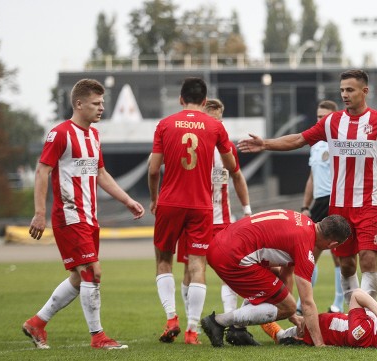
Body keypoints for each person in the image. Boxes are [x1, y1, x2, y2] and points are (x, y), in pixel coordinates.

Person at [238, 69, 377, 304]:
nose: (345, 95)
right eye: (342, 90)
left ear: (365, 91)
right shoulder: (331, 122)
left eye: (350, 90)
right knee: (347, 264)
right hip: (339, 205)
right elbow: (298, 139)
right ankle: (354, 312)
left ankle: (367, 313)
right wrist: (265, 143)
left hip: (370, 202)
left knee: (368, 259)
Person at [23, 78, 145, 350]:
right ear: (79, 104)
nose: (102, 108)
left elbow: (101, 174)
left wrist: (127, 200)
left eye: (102, 103)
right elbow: (43, 170)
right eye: (96, 103)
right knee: (92, 271)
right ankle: (98, 337)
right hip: (69, 216)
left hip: (90, 217)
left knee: (79, 278)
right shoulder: (60, 134)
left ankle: (37, 323)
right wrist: (39, 213)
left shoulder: (93, 135)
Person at [149, 77, 237, 345]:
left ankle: (171, 317)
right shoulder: (214, 126)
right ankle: (192, 331)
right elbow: (231, 165)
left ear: (180, 98)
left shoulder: (165, 124)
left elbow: (153, 170)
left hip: (170, 201)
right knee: (198, 265)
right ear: (204, 99)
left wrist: (154, 199)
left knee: (163, 260)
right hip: (201, 205)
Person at [173, 98, 257, 345]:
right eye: (212, 120)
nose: (216, 125)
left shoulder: (226, 148)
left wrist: (247, 211)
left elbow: (238, 177)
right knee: (191, 272)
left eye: (220, 121)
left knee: (230, 272)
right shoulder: (189, 146)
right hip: (194, 218)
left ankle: (230, 322)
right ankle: (192, 326)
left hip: (222, 221)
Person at [200, 210, 351, 347]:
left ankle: (238, 331)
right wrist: (319, 343)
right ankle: (218, 322)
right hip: (231, 256)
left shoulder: (303, 222)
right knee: (289, 306)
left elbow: (285, 275)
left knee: (280, 291)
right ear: (333, 244)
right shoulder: (305, 245)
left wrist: (293, 317)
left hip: (220, 244)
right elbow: (307, 303)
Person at [300, 99, 344, 314]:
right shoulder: (316, 145)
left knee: (338, 255)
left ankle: (339, 302)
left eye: (324, 117)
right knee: (308, 254)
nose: (320, 120)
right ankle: (302, 304)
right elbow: (312, 177)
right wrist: (305, 205)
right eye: (318, 116)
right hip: (318, 202)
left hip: (334, 199)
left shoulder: (339, 142)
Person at [262, 287, 377, 349]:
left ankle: (255, 313)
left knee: (283, 336)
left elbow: (356, 294)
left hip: (318, 327)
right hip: (337, 318)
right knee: (293, 316)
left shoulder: (361, 334)